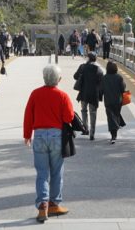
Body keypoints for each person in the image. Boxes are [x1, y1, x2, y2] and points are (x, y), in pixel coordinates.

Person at [23, 63, 74, 223]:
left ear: (44, 78)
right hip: (56, 136)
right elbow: (68, 117)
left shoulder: (35, 94)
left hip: (39, 135)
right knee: (57, 172)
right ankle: (54, 203)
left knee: (42, 173)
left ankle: (42, 206)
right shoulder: (63, 95)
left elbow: (28, 115)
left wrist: (27, 135)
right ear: (59, 79)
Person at [73, 52, 104, 140]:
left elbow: (75, 76)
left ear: (88, 58)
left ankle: (85, 128)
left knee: (84, 110)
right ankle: (92, 133)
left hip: (84, 93)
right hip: (94, 95)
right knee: (93, 112)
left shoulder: (83, 67)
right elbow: (101, 83)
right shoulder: (99, 70)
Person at [101, 61, 127, 143]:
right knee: (116, 114)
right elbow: (123, 89)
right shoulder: (119, 77)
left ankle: (113, 134)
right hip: (118, 101)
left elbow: (101, 89)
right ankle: (116, 129)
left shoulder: (104, 78)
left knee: (110, 117)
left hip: (108, 100)